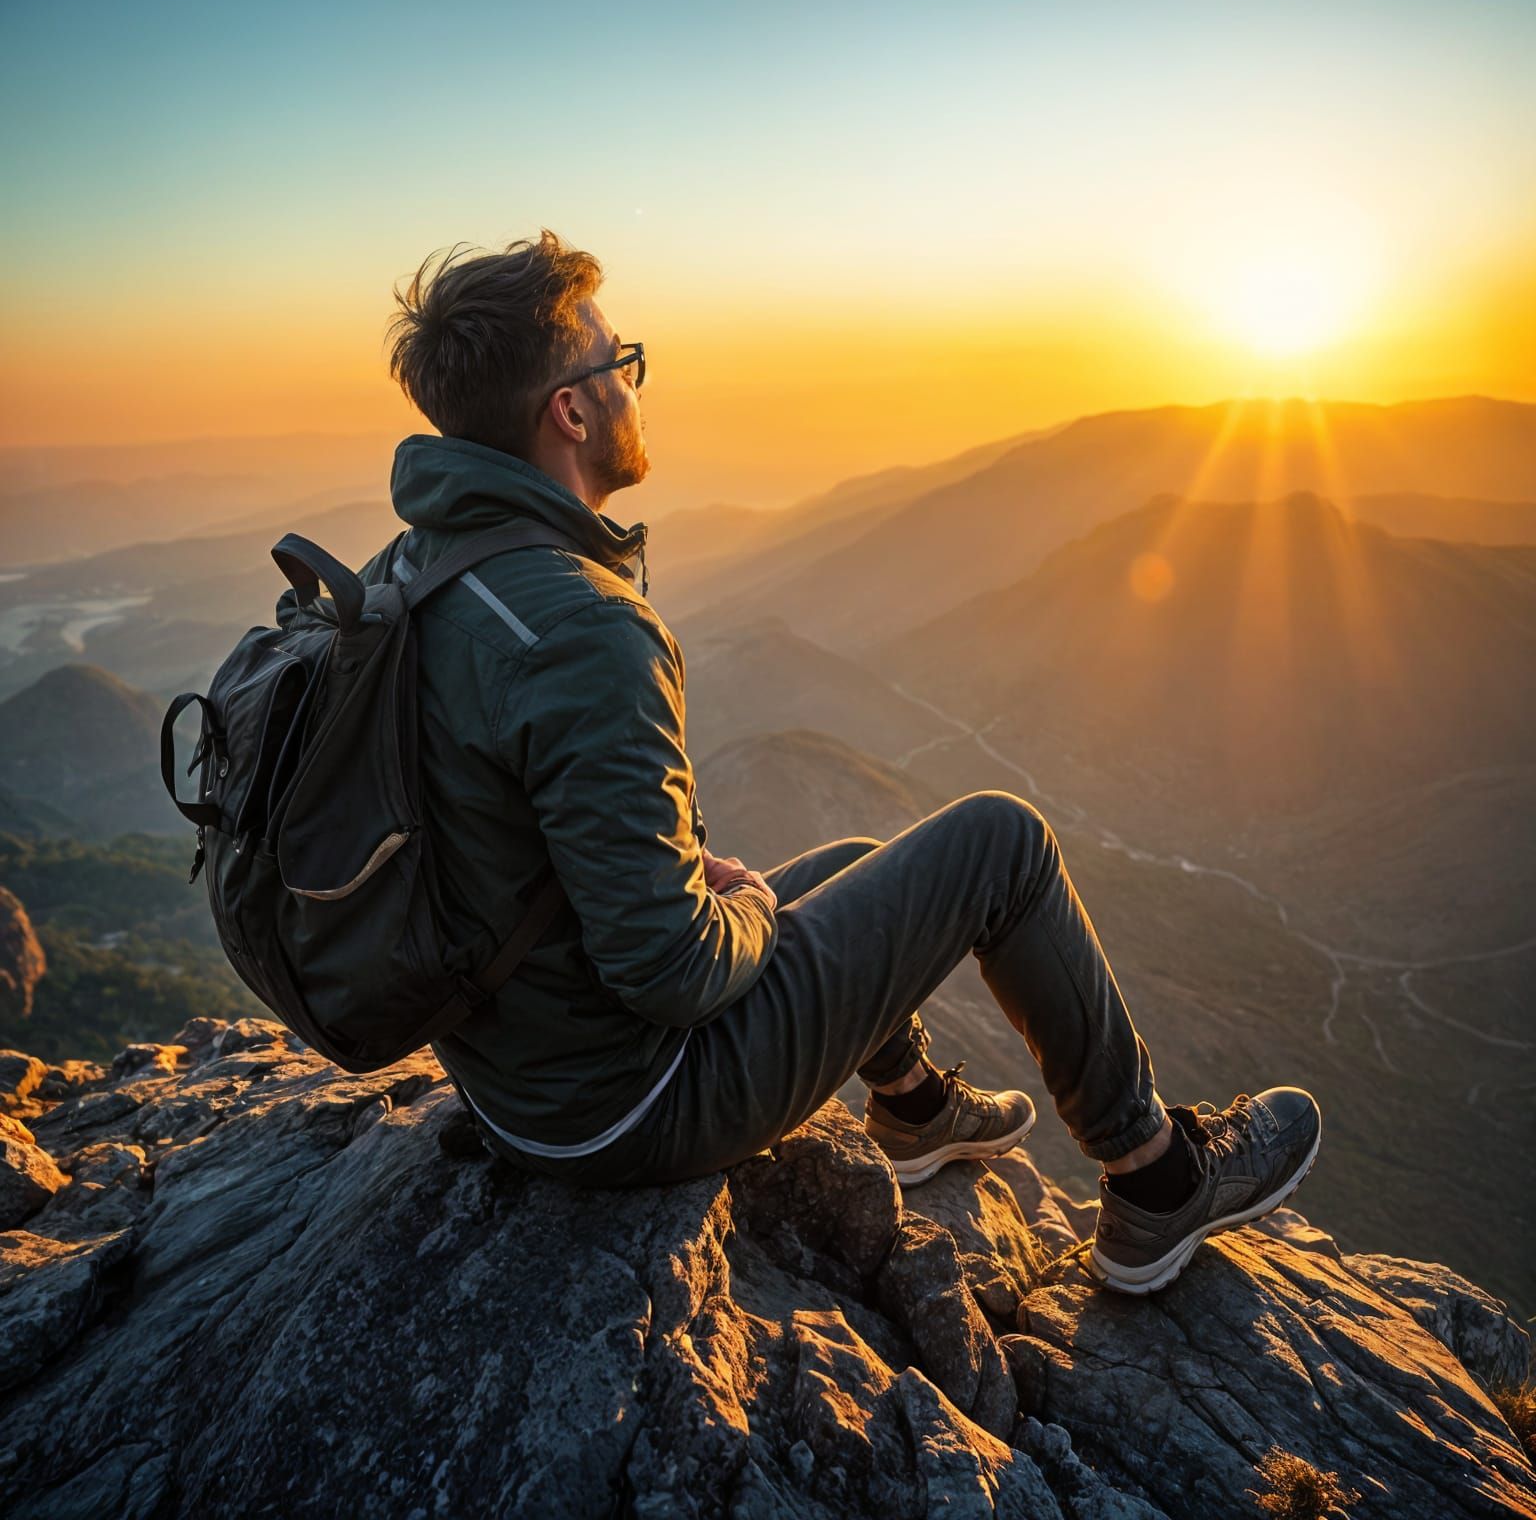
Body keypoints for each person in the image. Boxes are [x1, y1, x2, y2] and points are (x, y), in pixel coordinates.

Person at [365, 229, 1322, 1294]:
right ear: (572, 412)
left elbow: (522, 832)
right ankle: (1157, 1179)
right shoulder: (578, 628)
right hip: (629, 1108)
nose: (635, 385)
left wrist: (700, 886)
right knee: (1002, 841)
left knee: (864, 856)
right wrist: (747, 911)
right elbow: (670, 972)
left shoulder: (421, 568)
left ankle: (911, 1112)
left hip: (523, 1081)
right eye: (617, 363)